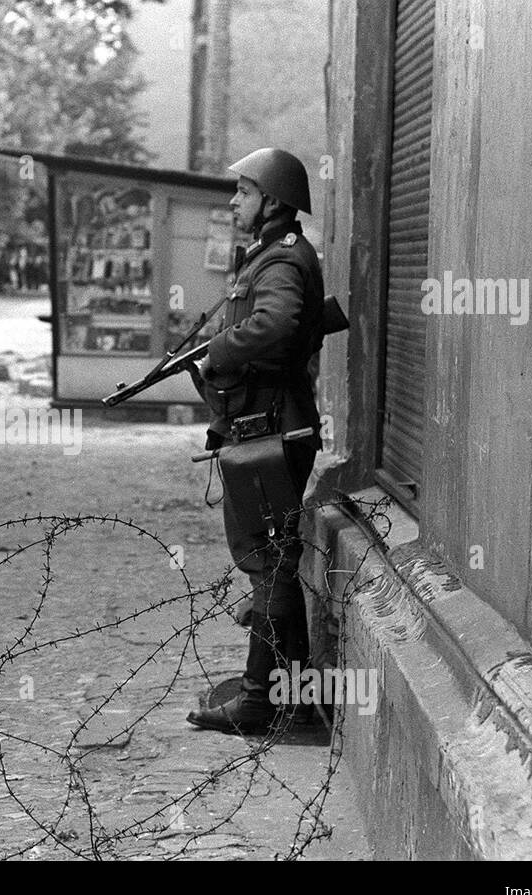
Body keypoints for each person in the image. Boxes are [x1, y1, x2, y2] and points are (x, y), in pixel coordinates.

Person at [184, 147, 325, 734]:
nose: (233, 201)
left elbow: (279, 322)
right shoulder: (268, 256)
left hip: (273, 430)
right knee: (273, 564)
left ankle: (256, 704)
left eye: (243, 191)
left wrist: (218, 350)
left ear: (271, 200)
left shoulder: (283, 262)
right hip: (263, 426)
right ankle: (292, 693)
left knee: (268, 567)